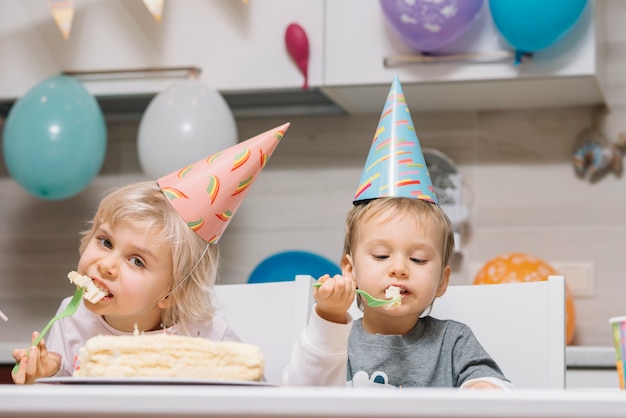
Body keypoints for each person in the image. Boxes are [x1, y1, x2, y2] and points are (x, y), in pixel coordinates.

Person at [11, 123, 289, 384]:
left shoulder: (210, 339)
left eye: (136, 261)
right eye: (106, 242)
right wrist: (47, 375)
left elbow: (258, 401)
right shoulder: (72, 319)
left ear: (172, 293)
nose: (107, 265)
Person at [282, 77, 512, 389]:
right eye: (381, 255)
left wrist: (483, 390)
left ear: (443, 280)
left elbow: (496, 388)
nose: (399, 268)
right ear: (350, 270)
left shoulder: (454, 342)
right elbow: (298, 396)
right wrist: (329, 319)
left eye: (418, 259)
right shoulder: (338, 338)